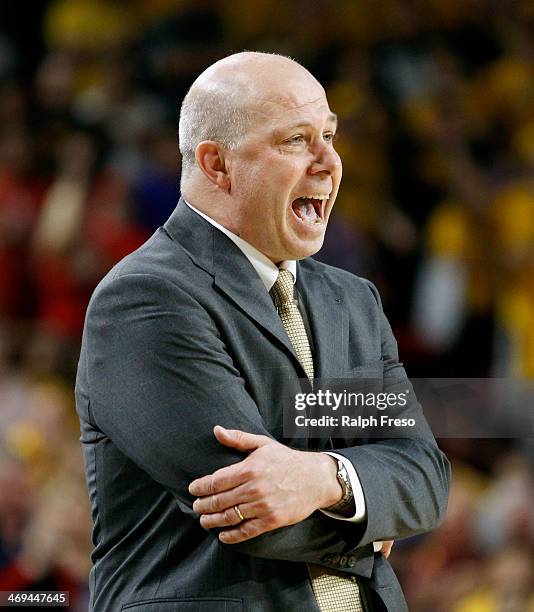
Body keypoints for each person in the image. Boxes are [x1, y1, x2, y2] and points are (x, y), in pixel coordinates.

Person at [75, 52, 451, 612]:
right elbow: (253, 512)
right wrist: (370, 513)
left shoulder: (353, 301)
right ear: (216, 165)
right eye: (296, 140)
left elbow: (425, 480)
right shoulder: (147, 297)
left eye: (330, 135)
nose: (330, 162)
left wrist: (328, 479)